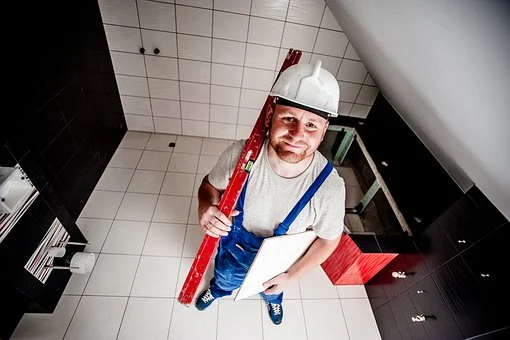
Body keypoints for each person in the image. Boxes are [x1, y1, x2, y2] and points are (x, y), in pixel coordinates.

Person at [195, 60, 346, 325]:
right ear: (269, 118)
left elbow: (329, 240)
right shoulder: (241, 155)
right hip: (234, 249)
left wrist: (293, 276)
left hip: (281, 262)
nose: (297, 134)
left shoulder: (329, 188)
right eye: (288, 118)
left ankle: (273, 301)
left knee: (273, 289)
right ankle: (218, 290)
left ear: (322, 134)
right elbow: (209, 186)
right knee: (225, 278)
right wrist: (205, 207)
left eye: (312, 125)